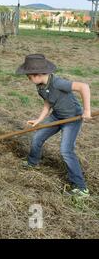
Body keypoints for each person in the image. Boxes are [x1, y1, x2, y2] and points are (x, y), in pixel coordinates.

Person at [16, 54, 92, 198]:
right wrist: (39, 120)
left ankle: (81, 188)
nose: (28, 78)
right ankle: (32, 162)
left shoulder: (58, 83)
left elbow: (84, 87)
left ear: (37, 75)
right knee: (37, 137)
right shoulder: (40, 86)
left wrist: (87, 110)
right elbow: (48, 102)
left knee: (66, 151)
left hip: (72, 119)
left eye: (28, 76)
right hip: (57, 115)